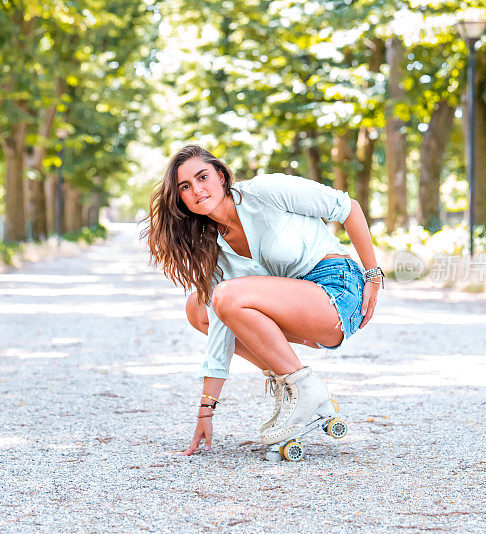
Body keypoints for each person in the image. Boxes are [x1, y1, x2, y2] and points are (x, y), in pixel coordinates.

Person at [142, 145, 383, 456]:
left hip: (336, 291)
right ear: (180, 200)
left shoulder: (265, 191)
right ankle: (296, 384)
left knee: (224, 295)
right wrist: (206, 409)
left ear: (220, 174)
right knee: (199, 308)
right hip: (296, 314)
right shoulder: (212, 247)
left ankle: (302, 387)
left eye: (202, 177)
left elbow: (347, 207)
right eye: (185, 187)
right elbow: (219, 329)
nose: (197, 190)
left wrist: (373, 275)